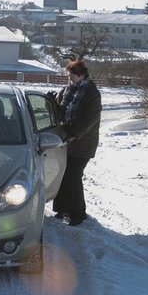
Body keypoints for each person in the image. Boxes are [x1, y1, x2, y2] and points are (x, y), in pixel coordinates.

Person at [52, 59, 101, 226]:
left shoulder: (91, 93)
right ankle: (62, 209)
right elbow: (59, 111)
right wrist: (52, 103)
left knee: (73, 176)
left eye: (71, 75)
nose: (69, 78)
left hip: (82, 143)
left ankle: (78, 214)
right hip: (65, 142)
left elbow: (91, 119)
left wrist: (74, 133)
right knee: (63, 174)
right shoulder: (66, 90)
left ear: (80, 74)